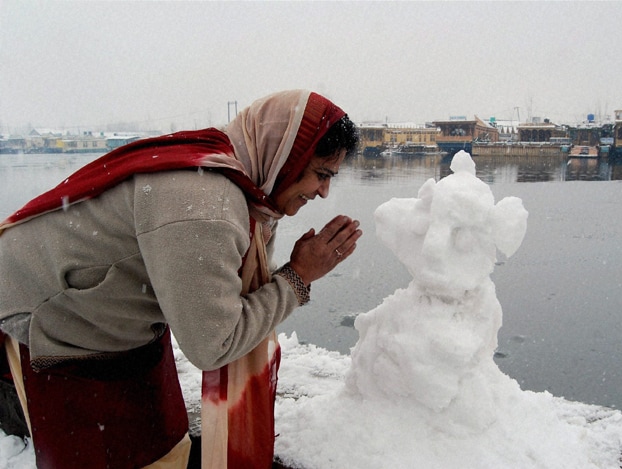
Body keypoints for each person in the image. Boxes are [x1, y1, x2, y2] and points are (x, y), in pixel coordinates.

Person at [0, 89, 362, 468]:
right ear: (287, 155)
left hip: (120, 313)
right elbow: (214, 344)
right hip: (59, 316)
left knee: (168, 446)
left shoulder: (233, 179)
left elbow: (224, 297)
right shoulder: (206, 204)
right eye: (321, 174)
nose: (323, 192)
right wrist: (298, 277)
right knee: (123, 456)